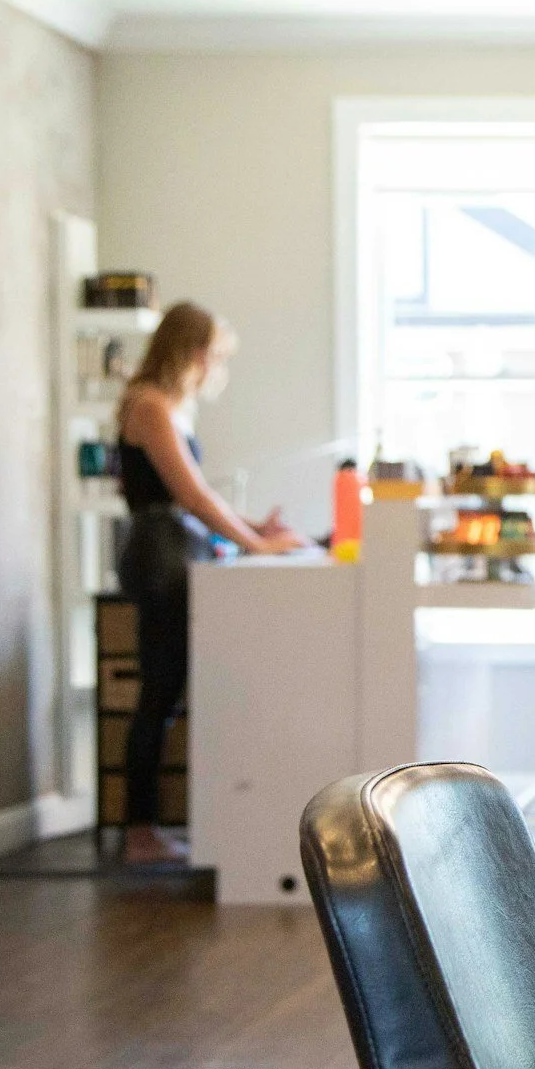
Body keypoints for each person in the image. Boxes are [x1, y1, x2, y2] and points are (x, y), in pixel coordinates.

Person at [114, 303, 305, 863]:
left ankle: (154, 829)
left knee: (171, 688)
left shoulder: (171, 407)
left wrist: (254, 529)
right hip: (159, 558)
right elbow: (193, 495)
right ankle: (140, 834)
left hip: (176, 549)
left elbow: (196, 500)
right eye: (214, 353)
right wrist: (256, 543)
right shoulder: (150, 407)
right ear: (192, 351)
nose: (216, 365)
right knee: (160, 690)